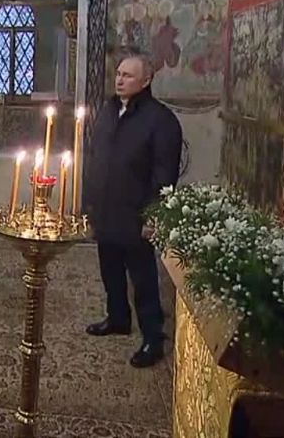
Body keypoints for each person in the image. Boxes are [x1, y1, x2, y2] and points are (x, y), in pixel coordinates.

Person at [83, 50, 182, 368]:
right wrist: (89, 200)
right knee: (109, 268)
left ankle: (153, 338)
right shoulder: (108, 110)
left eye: (127, 75)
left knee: (142, 277)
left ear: (146, 80)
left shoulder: (161, 120)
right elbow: (96, 156)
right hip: (106, 207)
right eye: (118, 73)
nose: (119, 79)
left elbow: (164, 174)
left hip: (136, 212)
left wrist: (154, 214)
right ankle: (118, 318)